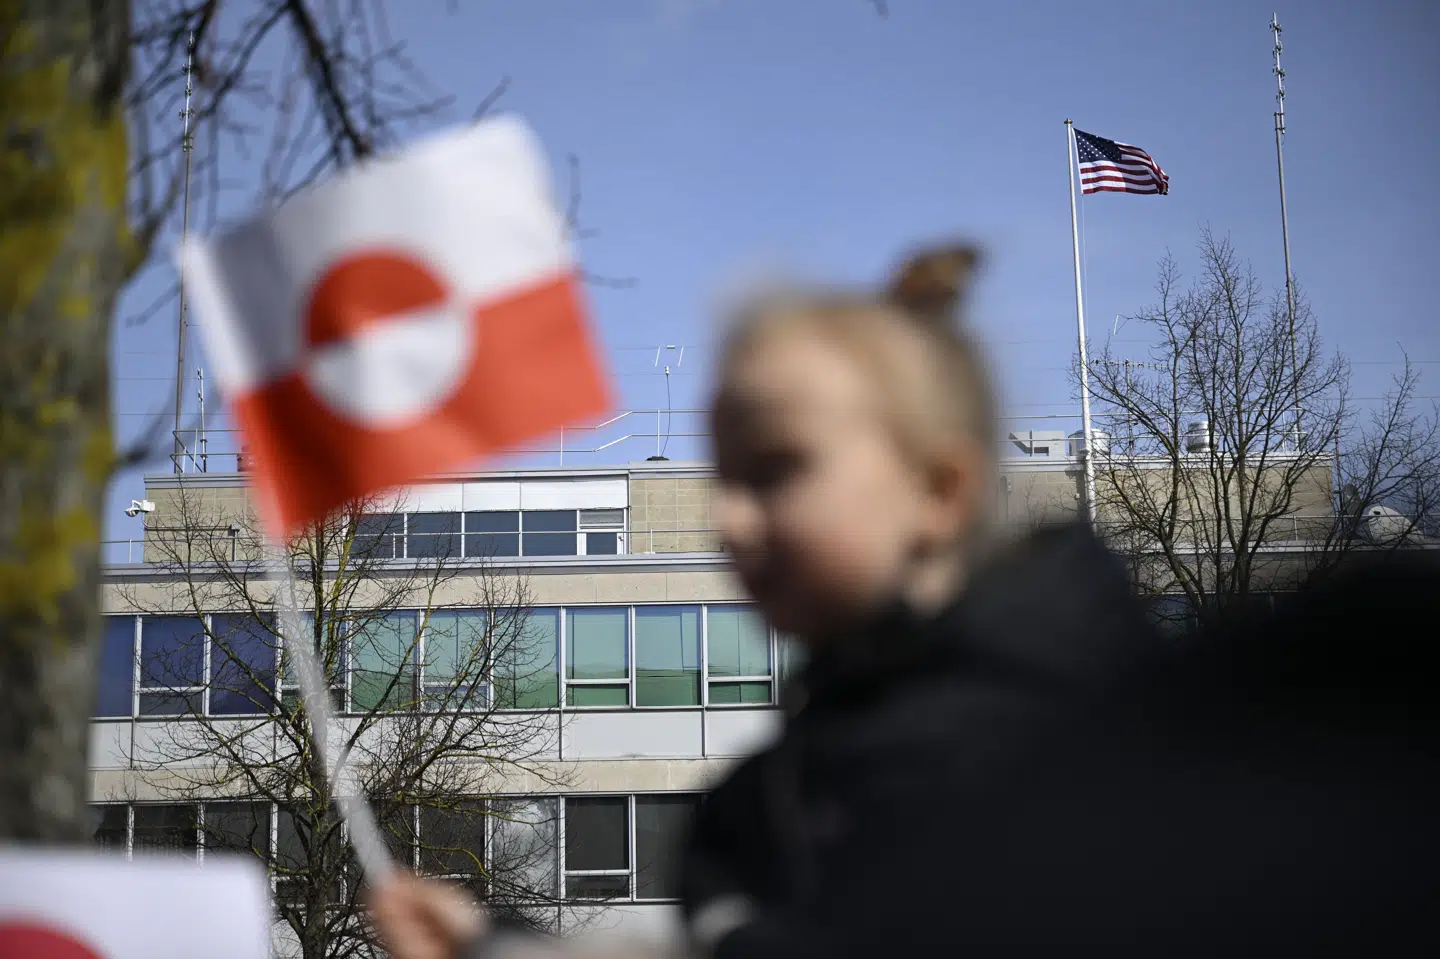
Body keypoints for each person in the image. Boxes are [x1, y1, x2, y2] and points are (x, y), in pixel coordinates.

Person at [371, 242, 1163, 958]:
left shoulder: (1091, 755)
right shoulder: (775, 788)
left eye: (776, 469)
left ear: (938, 490)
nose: (727, 518)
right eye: (723, 475)